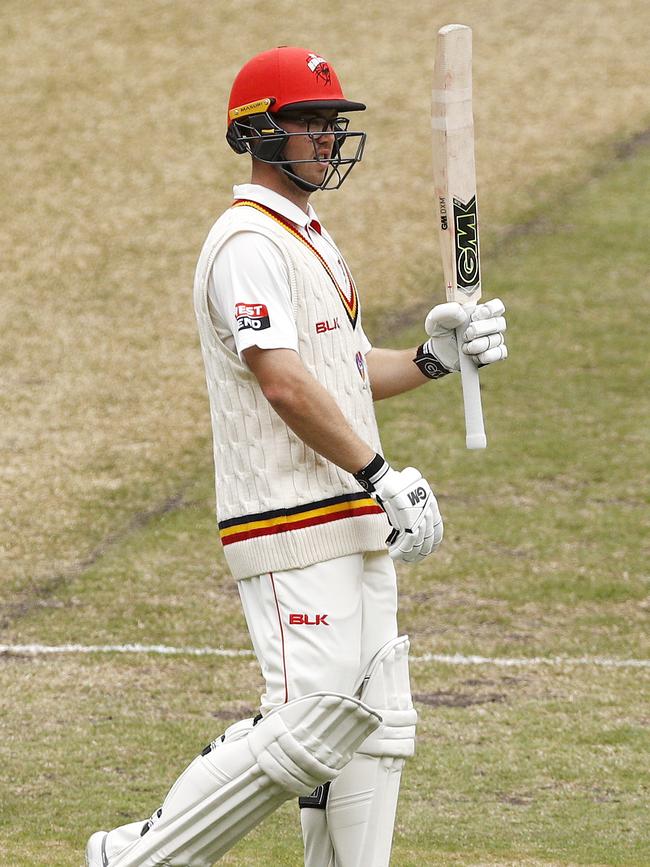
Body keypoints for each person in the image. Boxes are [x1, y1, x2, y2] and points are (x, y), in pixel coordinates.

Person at [86, 45, 507, 867]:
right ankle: (142, 856)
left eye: (330, 122)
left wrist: (431, 359)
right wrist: (381, 475)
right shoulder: (246, 242)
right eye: (309, 121)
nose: (326, 137)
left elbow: (342, 376)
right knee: (310, 717)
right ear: (260, 130)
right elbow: (281, 384)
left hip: (347, 515)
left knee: (378, 717)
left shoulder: (308, 236)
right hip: (289, 514)